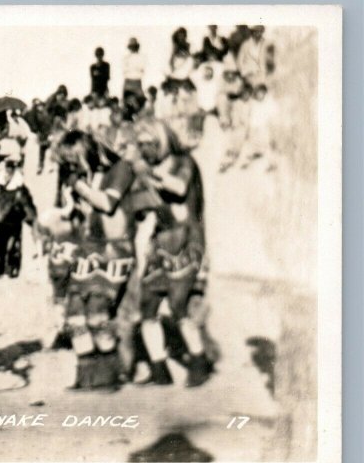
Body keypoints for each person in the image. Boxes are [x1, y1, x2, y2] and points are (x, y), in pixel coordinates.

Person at [47, 131, 138, 390]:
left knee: (97, 314)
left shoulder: (121, 168)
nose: (70, 167)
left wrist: (78, 187)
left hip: (115, 249)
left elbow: (107, 203)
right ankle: (86, 375)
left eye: (73, 160)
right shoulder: (82, 177)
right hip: (88, 247)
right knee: (75, 315)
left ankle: (108, 375)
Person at [133, 119, 211, 387]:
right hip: (161, 240)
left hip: (186, 239)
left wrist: (147, 176)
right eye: (141, 145)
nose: (145, 149)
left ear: (162, 140)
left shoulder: (183, 162)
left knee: (179, 306)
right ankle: (159, 369)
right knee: (148, 304)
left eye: (150, 144)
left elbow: (178, 188)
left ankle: (199, 363)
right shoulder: (152, 168)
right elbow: (143, 208)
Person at [241, 83, 277, 171]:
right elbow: (248, 115)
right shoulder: (252, 102)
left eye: (262, 93)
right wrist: (248, 129)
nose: (259, 95)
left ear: (265, 93)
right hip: (253, 127)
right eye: (258, 93)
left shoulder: (268, 103)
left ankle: (272, 163)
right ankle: (246, 161)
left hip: (263, 127)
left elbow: (273, 115)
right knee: (249, 144)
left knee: (266, 145)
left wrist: (271, 127)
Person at [220, 84, 252, 173]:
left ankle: (236, 161)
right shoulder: (236, 103)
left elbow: (248, 118)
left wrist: (247, 128)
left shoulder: (249, 104)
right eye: (244, 94)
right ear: (241, 93)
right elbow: (231, 113)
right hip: (235, 127)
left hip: (243, 129)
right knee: (231, 145)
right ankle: (226, 162)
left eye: (248, 94)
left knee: (239, 146)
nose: (246, 96)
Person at [122, 37, 146, 115]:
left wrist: (134, 70)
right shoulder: (126, 58)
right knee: (127, 103)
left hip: (137, 81)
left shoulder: (141, 57)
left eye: (134, 46)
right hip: (128, 81)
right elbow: (125, 71)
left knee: (139, 102)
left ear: (137, 46)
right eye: (131, 46)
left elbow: (142, 70)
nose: (133, 48)